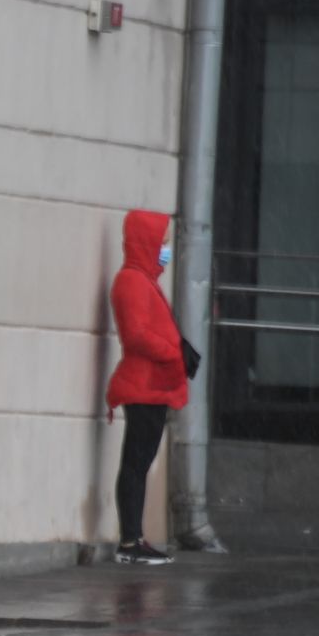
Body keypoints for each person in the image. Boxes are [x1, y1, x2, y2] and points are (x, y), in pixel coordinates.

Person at [106, 209, 188, 566]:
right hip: (144, 387)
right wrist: (173, 353)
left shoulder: (142, 280)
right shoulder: (132, 282)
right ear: (147, 242)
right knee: (136, 463)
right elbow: (137, 334)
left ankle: (134, 538)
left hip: (151, 386)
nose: (165, 249)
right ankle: (129, 542)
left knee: (139, 462)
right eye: (163, 242)